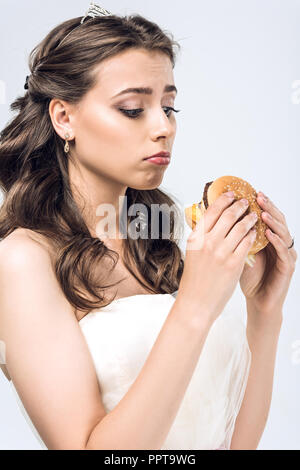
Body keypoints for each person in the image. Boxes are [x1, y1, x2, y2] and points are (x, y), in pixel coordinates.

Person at [0, 3, 296, 451]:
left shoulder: (160, 242)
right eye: (134, 108)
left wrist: (265, 313)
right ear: (65, 117)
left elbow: (232, 444)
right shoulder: (23, 260)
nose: (164, 127)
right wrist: (195, 307)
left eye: (170, 107)